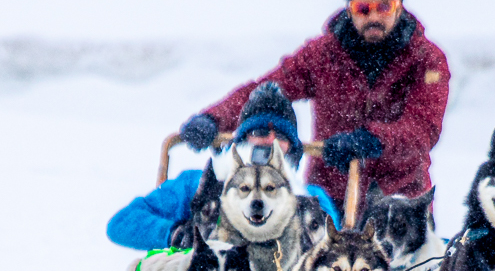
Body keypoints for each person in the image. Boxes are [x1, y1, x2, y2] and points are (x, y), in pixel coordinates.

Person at [178, 0, 450, 211]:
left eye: (384, 8)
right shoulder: (323, 55)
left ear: (399, 8)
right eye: (363, 9)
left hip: (398, 200)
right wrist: (213, 119)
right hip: (330, 198)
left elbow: (423, 128)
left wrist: (370, 140)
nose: (374, 17)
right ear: (350, 10)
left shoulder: (426, 60)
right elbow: (267, 90)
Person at [107, 82, 339, 251]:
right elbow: (122, 223)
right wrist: (175, 234)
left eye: (280, 135)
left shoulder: (311, 198)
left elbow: (332, 248)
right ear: (242, 142)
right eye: (259, 132)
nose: (270, 141)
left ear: (292, 151)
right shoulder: (197, 185)